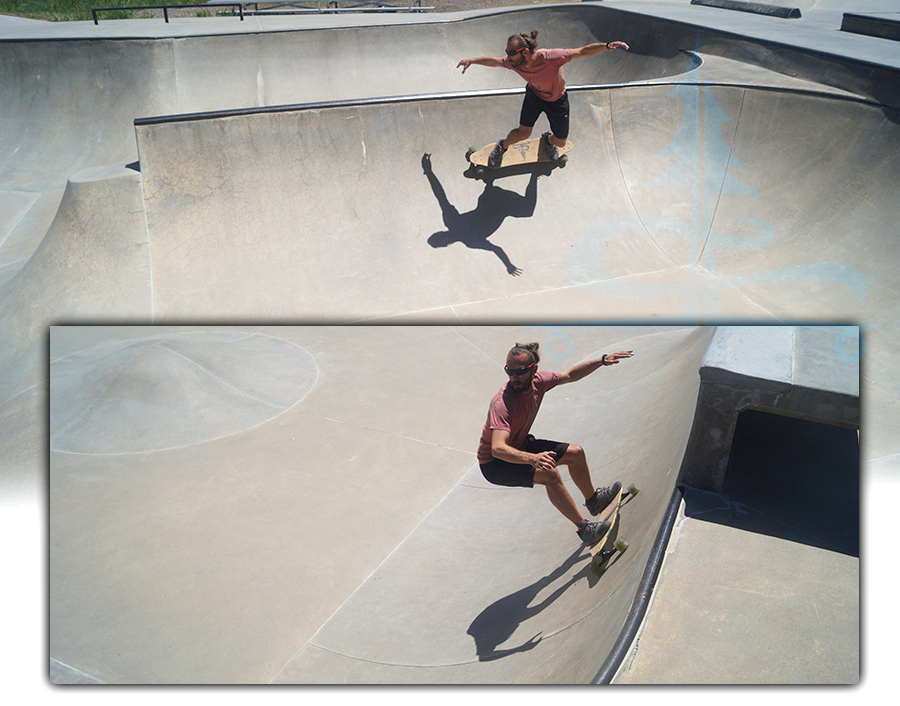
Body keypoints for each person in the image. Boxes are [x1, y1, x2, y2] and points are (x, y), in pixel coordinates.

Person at [477, 342, 634, 544]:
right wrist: (533, 458)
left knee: (576, 453)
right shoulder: (503, 404)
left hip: (520, 446)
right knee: (549, 474)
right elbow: (497, 448)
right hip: (494, 464)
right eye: (509, 371)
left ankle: (594, 501)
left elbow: (570, 375)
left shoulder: (540, 381)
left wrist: (602, 361)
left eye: (520, 371)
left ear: (534, 370)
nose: (514, 377)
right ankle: (584, 528)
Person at [457, 30, 629, 167]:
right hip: (534, 96)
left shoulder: (551, 57)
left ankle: (548, 140)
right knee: (523, 133)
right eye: (507, 52)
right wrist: (472, 60)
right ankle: (502, 146)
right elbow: (494, 61)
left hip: (557, 101)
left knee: (561, 143)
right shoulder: (514, 62)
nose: (508, 57)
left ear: (525, 51)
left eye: (511, 53)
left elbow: (583, 51)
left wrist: (606, 46)